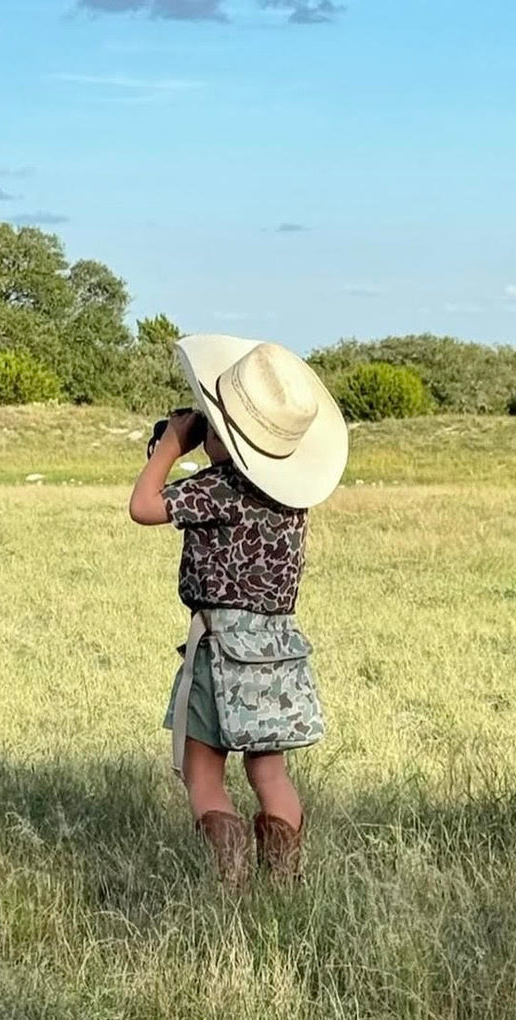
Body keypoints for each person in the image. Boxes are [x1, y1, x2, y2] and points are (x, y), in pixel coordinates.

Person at [128, 335, 349, 891]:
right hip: (276, 650)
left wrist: (170, 448)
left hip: (219, 644)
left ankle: (231, 883)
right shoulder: (291, 500)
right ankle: (284, 881)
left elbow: (143, 507)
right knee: (269, 771)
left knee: (201, 771)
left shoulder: (217, 489)